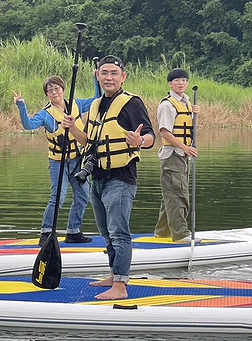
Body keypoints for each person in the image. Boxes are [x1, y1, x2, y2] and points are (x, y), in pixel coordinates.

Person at [63, 55, 155, 300]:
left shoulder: (132, 103)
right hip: (97, 176)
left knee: (119, 232)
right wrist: (72, 128)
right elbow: (88, 141)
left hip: (121, 177)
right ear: (97, 76)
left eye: (114, 73)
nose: (109, 77)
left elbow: (150, 137)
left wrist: (139, 140)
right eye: (104, 73)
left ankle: (121, 286)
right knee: (105, 231)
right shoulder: (95, 105)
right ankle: (114, 275)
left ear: (123, 77)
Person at [12, 74, 101, 244]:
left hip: (77, 160)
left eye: (57, 88)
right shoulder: (46, 115)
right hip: (58, 162)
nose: (54, 92)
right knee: (58, 197)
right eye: (50, 90)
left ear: (63, 89)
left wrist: (96, 80)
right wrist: (21, 106)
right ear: (47, 94)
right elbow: (28, 125)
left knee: (83, 196)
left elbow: (97, 100)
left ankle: (73, 231)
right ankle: (46, 232)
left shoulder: (76, 104)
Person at [153, 68, 199, 243]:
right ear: (170, 84)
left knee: (171, 194)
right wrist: (185, 147)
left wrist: (195, 115)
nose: (181, 83)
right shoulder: (167, 105)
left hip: (182, 155)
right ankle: (180, 234)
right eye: (177, 80)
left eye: (184, 80)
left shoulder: (187, 102)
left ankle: (162, 232)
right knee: (178, 194)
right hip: (173, 155)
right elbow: (165, 132)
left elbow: (189, 128)